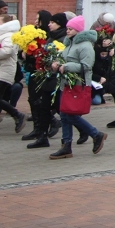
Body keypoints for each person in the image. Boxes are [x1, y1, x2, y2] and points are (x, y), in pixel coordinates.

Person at [49, 16, 108, 160]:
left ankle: (95, 134)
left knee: (70, 114)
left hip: (78, 84)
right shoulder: (69, 43)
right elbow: (65, 59)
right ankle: (66, 145)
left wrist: (66, 67)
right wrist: (57, 63)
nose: (67, 31)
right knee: (64, 114)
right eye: (67, 28)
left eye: (70, 29)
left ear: (78, 30)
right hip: (66, 83)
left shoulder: (86, 45)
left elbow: (86, 66)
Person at [23, 11, 65, 148]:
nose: (49, 24)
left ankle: (88, 132)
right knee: (43, 106)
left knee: (59, 108)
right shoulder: (50, 37)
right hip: (45, 74)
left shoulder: (62, 38)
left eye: (52, 22)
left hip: (55, 77)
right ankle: (41, 136)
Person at [0, 15, 27, 133]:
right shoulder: (4, 34)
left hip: (4, 71)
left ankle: (17, 115)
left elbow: (7, 51)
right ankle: (17, 115)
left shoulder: (9, 35)